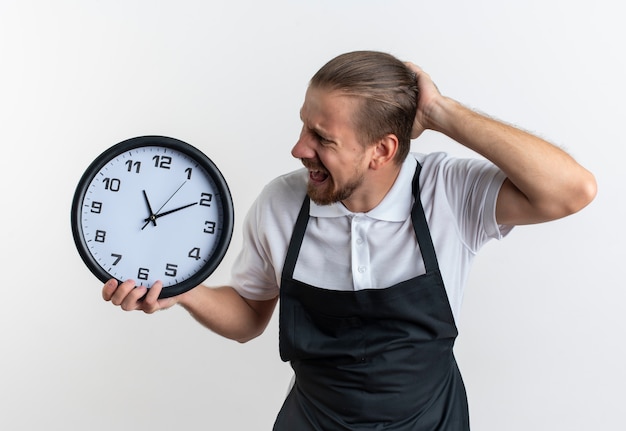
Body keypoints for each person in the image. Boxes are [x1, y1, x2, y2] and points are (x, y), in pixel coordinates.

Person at [102, 51, 597, 430]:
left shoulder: (448, 193)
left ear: (383, 150)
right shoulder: (281, 204)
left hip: (431, 422)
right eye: (303, 125)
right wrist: (182, 290)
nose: (299, 148)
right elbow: (249, 318)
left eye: (323, 138)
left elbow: (572, 191)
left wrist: (441, 110)